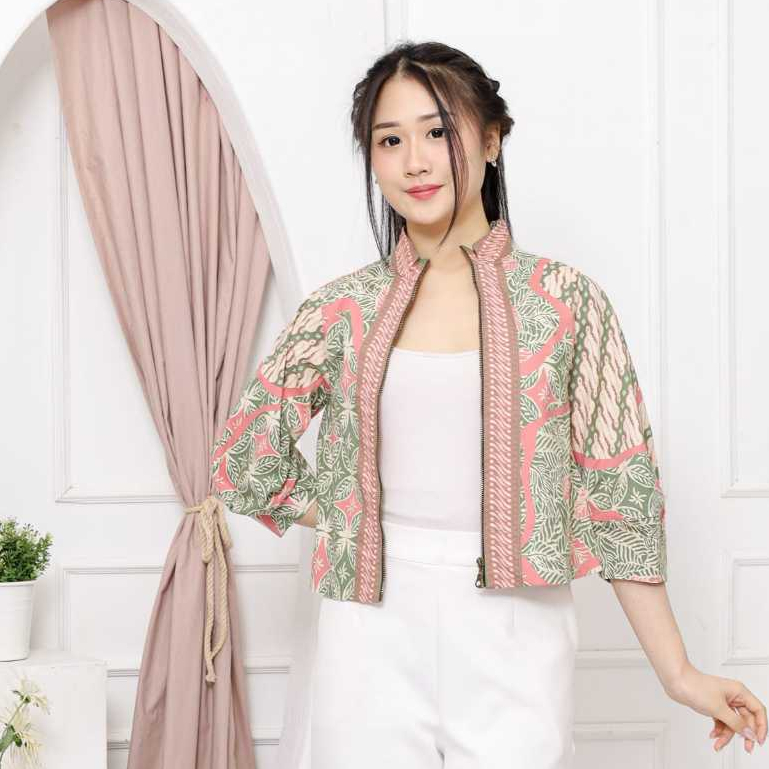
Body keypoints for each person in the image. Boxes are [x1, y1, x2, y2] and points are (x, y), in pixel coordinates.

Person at [210, 40, 767, 768]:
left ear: (492, 138)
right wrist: (349, 510)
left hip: (517, 630)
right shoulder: (341, 308)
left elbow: (620, 498)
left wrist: (679, 673)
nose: (415, 161)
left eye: (437, 132)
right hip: (367, 629)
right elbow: (245, 456)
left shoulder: (566, 302)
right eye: (390, 140)